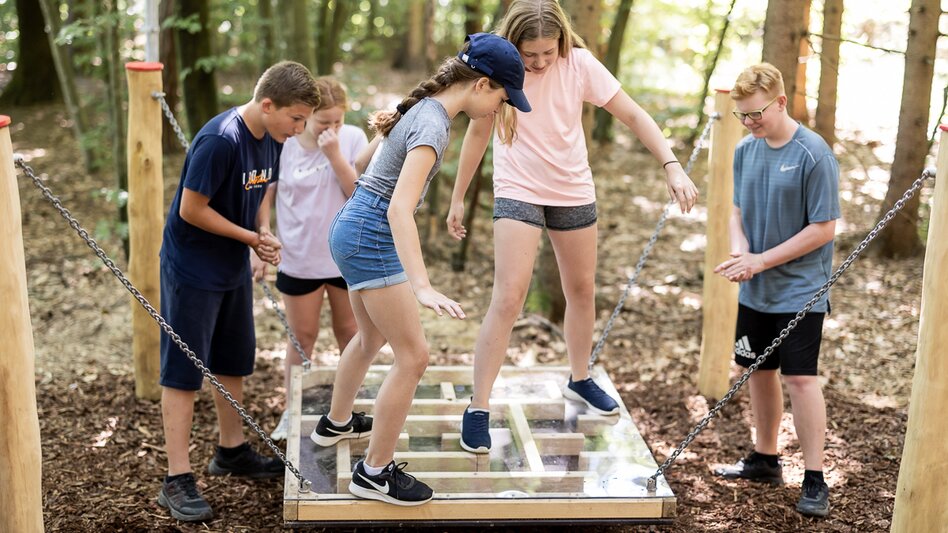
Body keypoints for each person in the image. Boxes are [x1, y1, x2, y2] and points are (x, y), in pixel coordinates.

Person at [446, 0, 698, 454]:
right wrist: (459, 195)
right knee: (508, 296)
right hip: (518, 188)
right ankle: (478, 406)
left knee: (581, 289)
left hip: (573, 189)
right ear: (513, 45)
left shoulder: (579, 64)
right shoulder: (501, 67)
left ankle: (579, 378)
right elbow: (479, 133)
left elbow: (634, 115)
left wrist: (672, 165)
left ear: (562, 40)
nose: (540, 62)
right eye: (531, 54)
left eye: (548, 51)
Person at [312, 33, 530, 507]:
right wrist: (422, 285)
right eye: (500, 97)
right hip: (372, 234)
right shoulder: (434, 125)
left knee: (371, 339)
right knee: (414, 356)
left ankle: (337, 422)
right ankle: (373, 473)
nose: (498, 108)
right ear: (482, 84)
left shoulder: (423, 107)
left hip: (351, 226)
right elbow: (397, 210)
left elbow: (365, 161)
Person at [156, 61, 319, 523]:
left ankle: (231, 451)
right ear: (267, 104)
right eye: (296, 118)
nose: (300, 128)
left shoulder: (274, 137)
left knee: (233, 359)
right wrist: (249, 239)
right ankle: (177, 478)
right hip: (192, 267)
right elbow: (191, 209)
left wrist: (262, 232)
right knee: (184, 369)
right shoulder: (220, 140)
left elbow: (262, 190)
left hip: (231, 264)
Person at [711, 63, 839, 519]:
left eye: (756, 113)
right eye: (741, 116)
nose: (749, 123)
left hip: (801, 289)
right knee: (756, 372)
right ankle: (765, 460)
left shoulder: (814, 154)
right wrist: (742, 252)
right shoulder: (746, 150)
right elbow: (737, 210)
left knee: (800, 378)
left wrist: (761, 260)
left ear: (781, 101)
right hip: (756, 288)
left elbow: (824, 228)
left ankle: (815, 477)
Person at [253, 77, 367, 442]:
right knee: (302, 337)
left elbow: (357, 193)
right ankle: (292, 409)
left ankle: (348, 406)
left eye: (337, 121)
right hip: (299, 257)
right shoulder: (284, 144)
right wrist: (263, 234)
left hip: (343, 257)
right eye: (323, 123)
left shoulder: (352, 140)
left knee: (350, 333)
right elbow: (265, 195)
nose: (331, 129)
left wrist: (334, 155)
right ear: (306, 118)